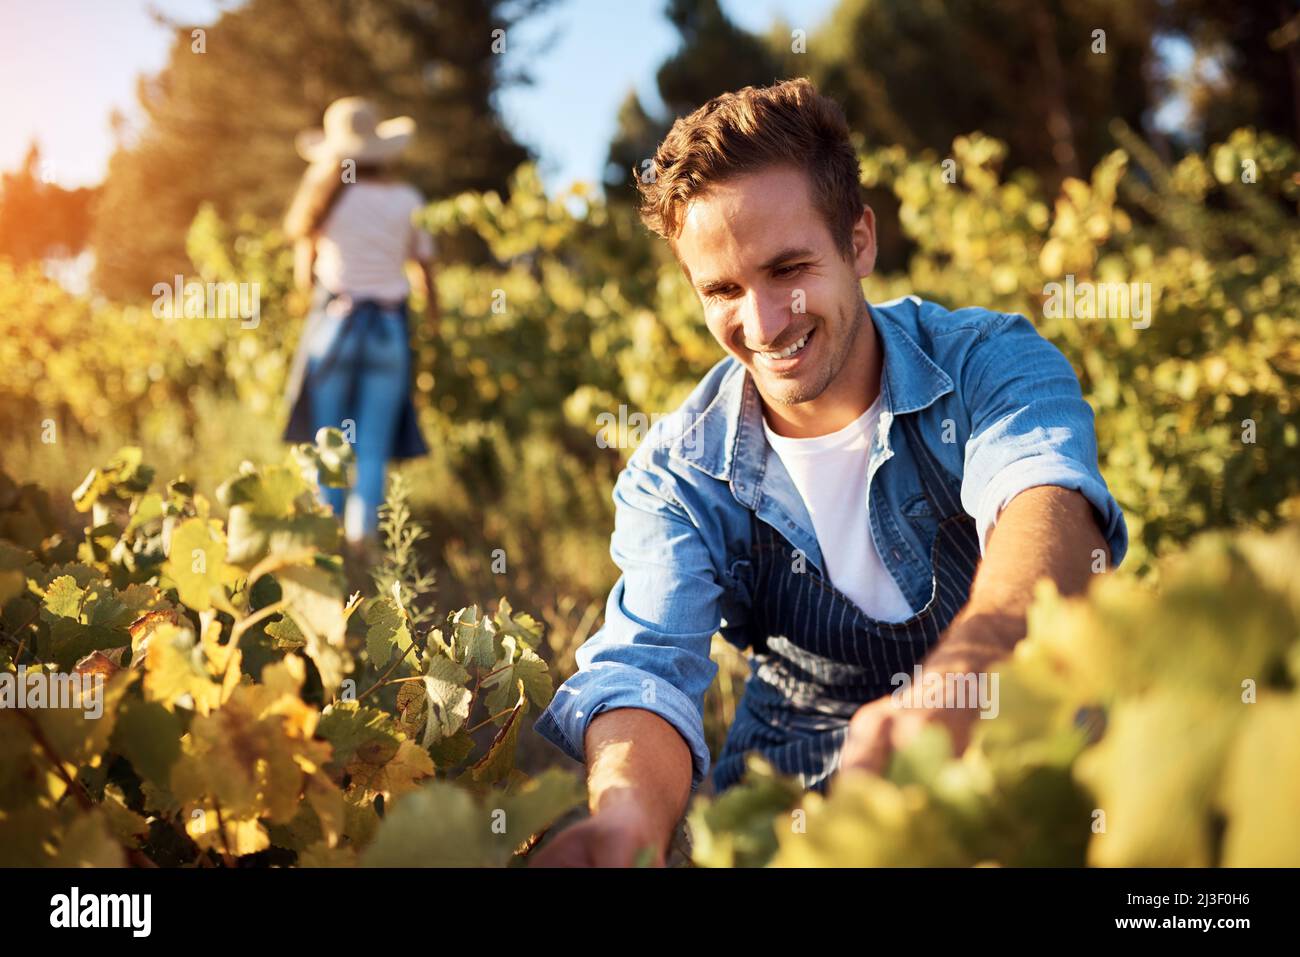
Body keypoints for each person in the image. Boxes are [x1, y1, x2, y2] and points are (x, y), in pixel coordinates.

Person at [528, 77, 1127, 867]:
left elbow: (1045, 506)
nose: (765, 322)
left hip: (1008, 718)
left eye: (788, 269)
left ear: (860, 241)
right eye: (724, 290)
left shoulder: (988, 363)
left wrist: (966, 676)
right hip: (799, 780)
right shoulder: (677, 474)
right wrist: (626, 821)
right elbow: (647, 670)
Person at [281, 97, 438, 561]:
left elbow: (302, 273)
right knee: (372, 445)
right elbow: (425, 272)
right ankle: (361, 540)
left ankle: (325, 542)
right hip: (389, 329)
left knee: (329, 440)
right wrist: (433, 321)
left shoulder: (323, 194)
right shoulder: (408, 200)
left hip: (334, 326)